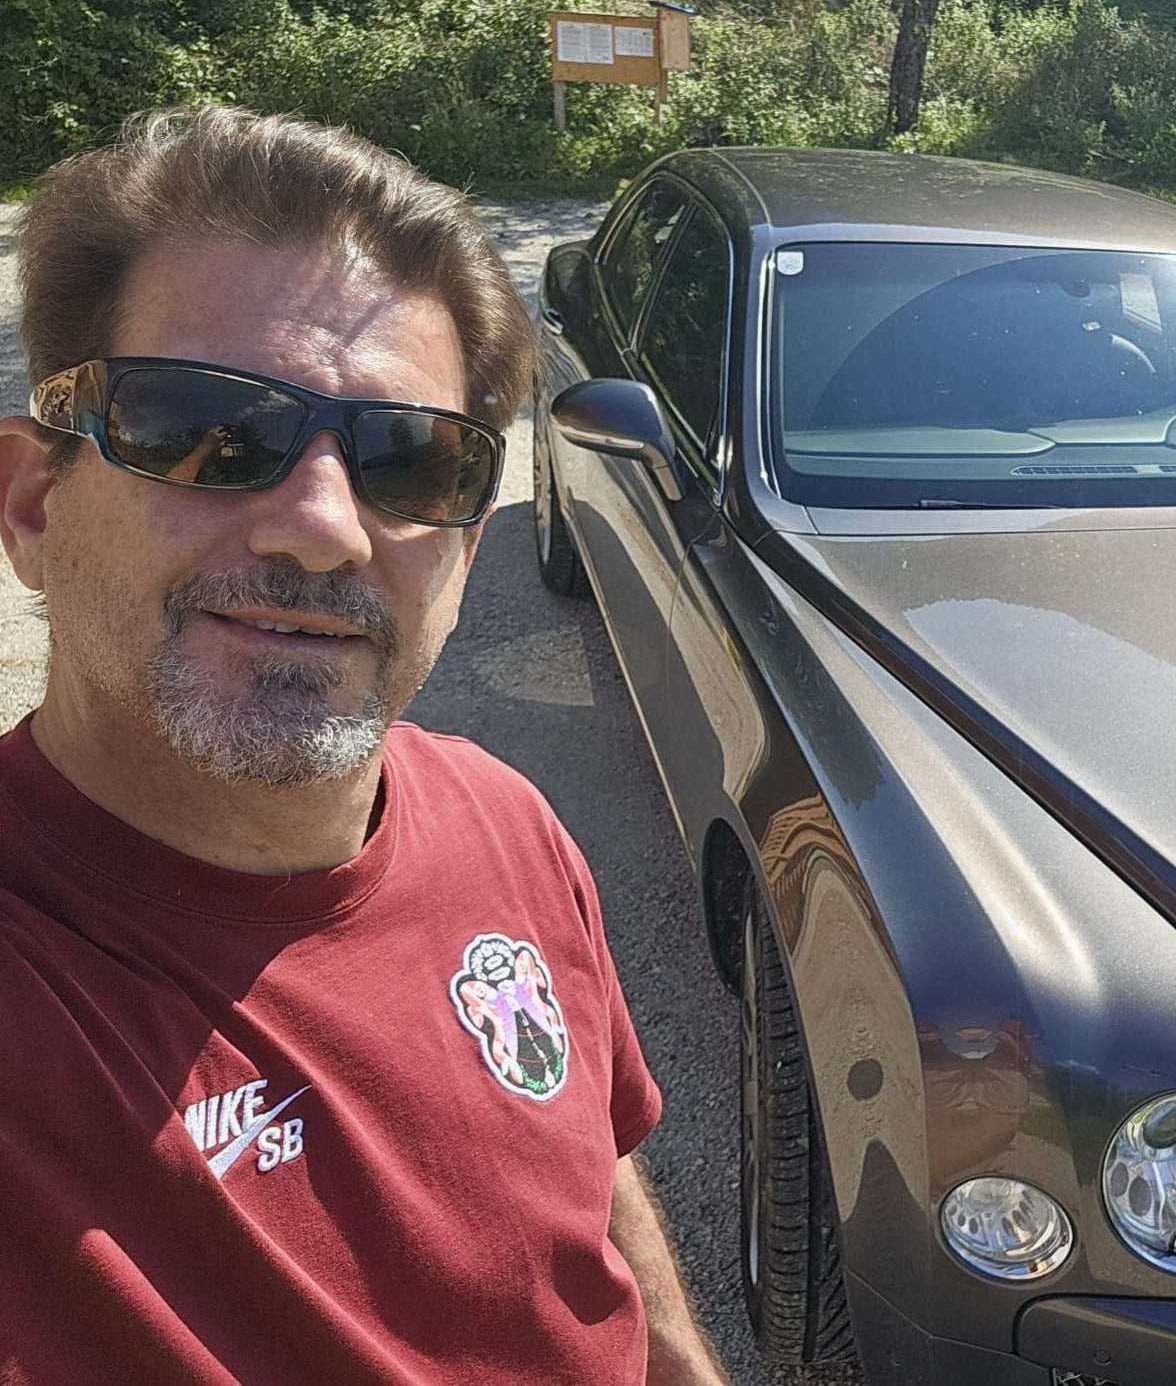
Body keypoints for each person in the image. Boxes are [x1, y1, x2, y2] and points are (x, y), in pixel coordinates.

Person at [0, 106, 727, 1384]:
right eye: (211, 431)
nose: (325, 527)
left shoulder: (504, 820)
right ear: (33, 504)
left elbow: (593, 1191)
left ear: (466, 550)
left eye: (412, 463)